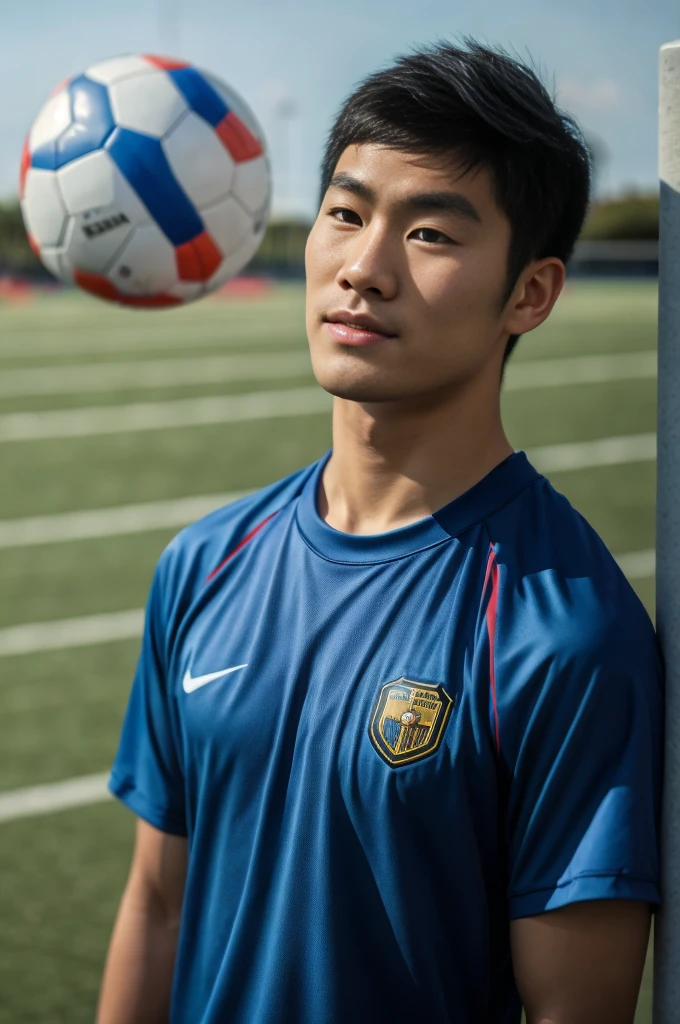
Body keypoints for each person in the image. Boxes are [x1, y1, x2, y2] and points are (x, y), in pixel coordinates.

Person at [97, 38, 662, 1024]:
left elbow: (574, 1011)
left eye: (431, 234)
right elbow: (157, 904)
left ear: (528, 292)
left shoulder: (565, 635)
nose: (362, 268)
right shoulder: (203, 564)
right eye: (345, 214)